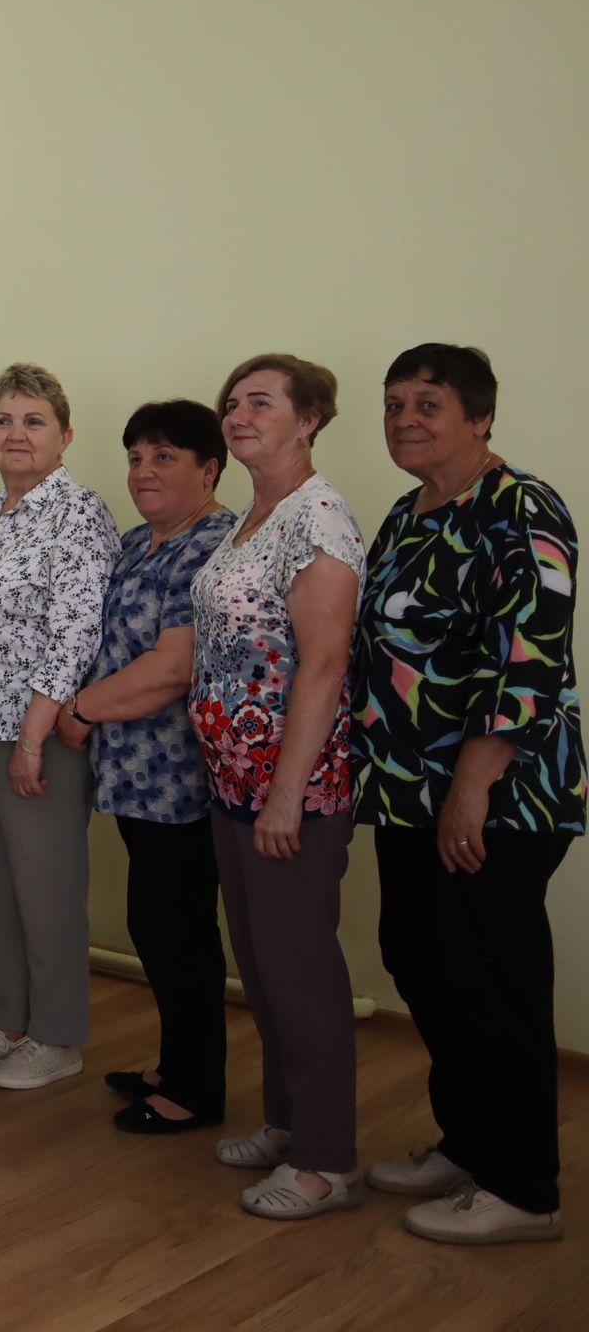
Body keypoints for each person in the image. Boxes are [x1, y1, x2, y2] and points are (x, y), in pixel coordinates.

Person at [352, 344, 580, 1245]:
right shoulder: (410, 513)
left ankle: (525, 1190)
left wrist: (471, 790)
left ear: (480, 418)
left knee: (494, 982)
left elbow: (531, 663)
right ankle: (469, 1142)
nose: (406, 418)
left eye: (430, 404)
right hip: (409, 790)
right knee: (422, 962)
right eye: (395, 403)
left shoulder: (523, 508)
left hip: (497, 796)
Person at [190, 353, 365, 1222]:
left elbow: (324, 664)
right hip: (233, 781)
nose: (237, 413)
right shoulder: (255, 515)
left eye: (260, 401)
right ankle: (289, 1124)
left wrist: (287, 794)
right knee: (260, 967)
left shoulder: (319, 519)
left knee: (301, 971)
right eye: (232, 401)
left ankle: (329, 1162)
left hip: (292, 788)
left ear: (310, 419)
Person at [0, 365, 120, 1089]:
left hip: (34, 733)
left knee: (47, 886)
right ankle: (9, 1022)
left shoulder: (78, 513)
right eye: (4, 420)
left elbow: (72, 634)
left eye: (33, 421)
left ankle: (58, 1034)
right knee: (2, 891)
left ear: (65, 435)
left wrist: (35, 735)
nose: (16, 433)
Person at [58, 400, 237, 1133]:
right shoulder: (140, 542)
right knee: (163, 925)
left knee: (176, 930)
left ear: (210, 469)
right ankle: (176, 1063)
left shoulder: (214, 546)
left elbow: (171, 668)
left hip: (182, 780)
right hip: (134, 777)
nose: (143, 471)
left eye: (164, 456)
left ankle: (195, 1088)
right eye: (135, 457)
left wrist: (80, 711)